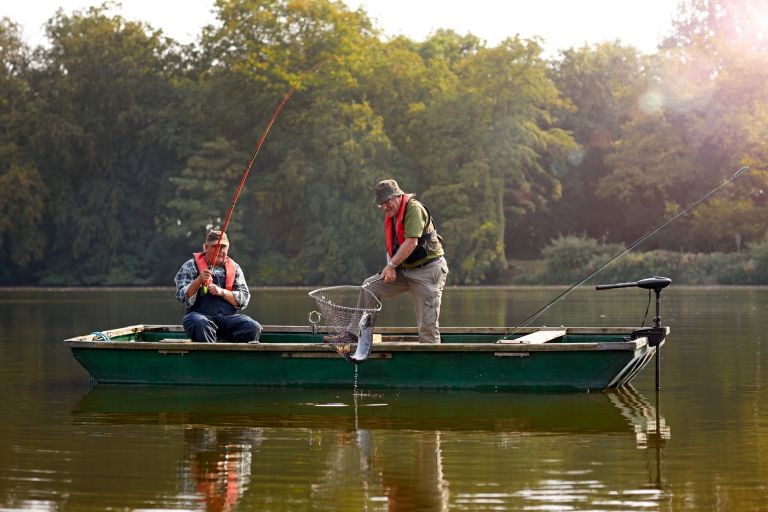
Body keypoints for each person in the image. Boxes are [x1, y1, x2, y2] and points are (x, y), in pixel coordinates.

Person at [328, 179, 448, 344]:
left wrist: (391, 266)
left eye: (387, 202)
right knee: (369, 287)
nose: (384, 207)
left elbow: (411, 242)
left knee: (427, 327)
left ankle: (431, 364)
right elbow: (393, 247)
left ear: (398, 196)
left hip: (428, 271)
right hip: (405, 269)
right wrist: (390, 267)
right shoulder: (392, 215)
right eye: (381, 204)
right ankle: (354, 334)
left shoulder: (413, 209)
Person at [174, 230, 262, 343]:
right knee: (196, 322)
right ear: (205, 247)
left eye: (223, 247)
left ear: (228, 249)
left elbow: (243, 299)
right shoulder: (190, 266)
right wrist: (198, 281)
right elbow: (181, 296)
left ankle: (234, 354)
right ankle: (212, 355)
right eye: (215, 246)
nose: (220, 251)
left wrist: (221, 292)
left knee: (253, 327)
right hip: (201, 317)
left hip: (228, 319)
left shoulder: (235, 268)